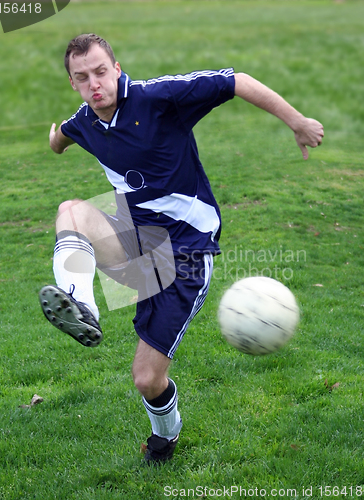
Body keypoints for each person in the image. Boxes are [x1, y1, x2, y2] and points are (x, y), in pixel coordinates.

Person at [39, 33, 324, 464]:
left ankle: (165, 436)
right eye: (82, 77)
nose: (94, 83)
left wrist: (297, 121)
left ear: (116, 69)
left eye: (101, 72)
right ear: (74, 83)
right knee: (70, 211)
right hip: (137, 242)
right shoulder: (85, 120)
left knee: (147, 380)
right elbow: (63, 137)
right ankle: (82, 308)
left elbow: (236, 81)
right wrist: (56, 139)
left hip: (185, 253)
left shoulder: (160, 98)